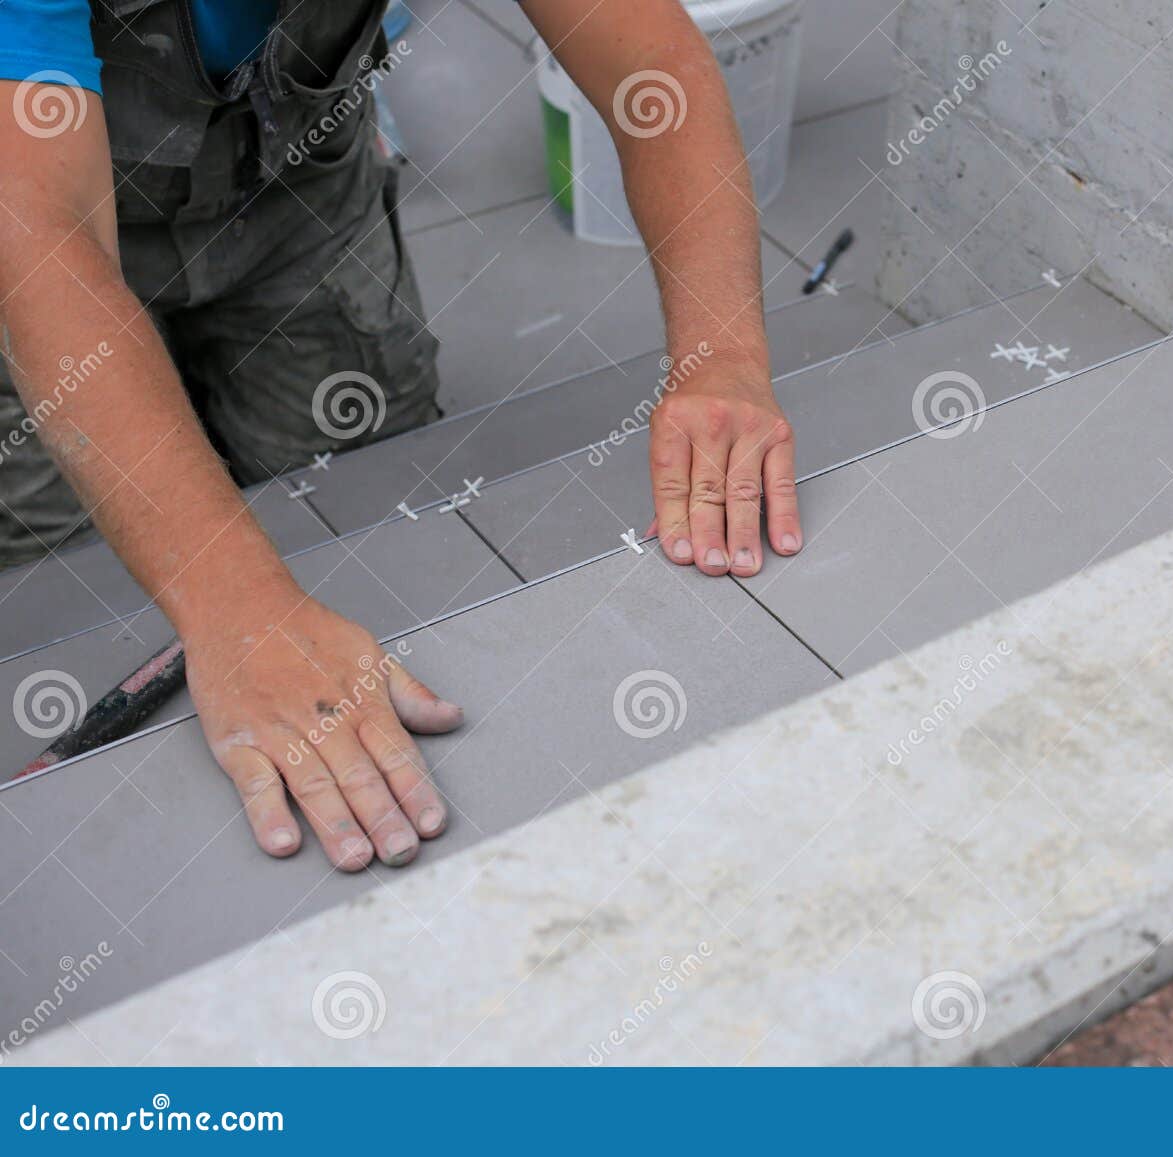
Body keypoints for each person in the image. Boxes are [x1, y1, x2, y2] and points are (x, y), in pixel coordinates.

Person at [0, 0, 803, 870]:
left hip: (293, 189)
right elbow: (44, 246)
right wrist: (235, 607)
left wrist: (721, 356)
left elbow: (650, 59)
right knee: (73, 602)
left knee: (388, 528)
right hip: (33, 203)